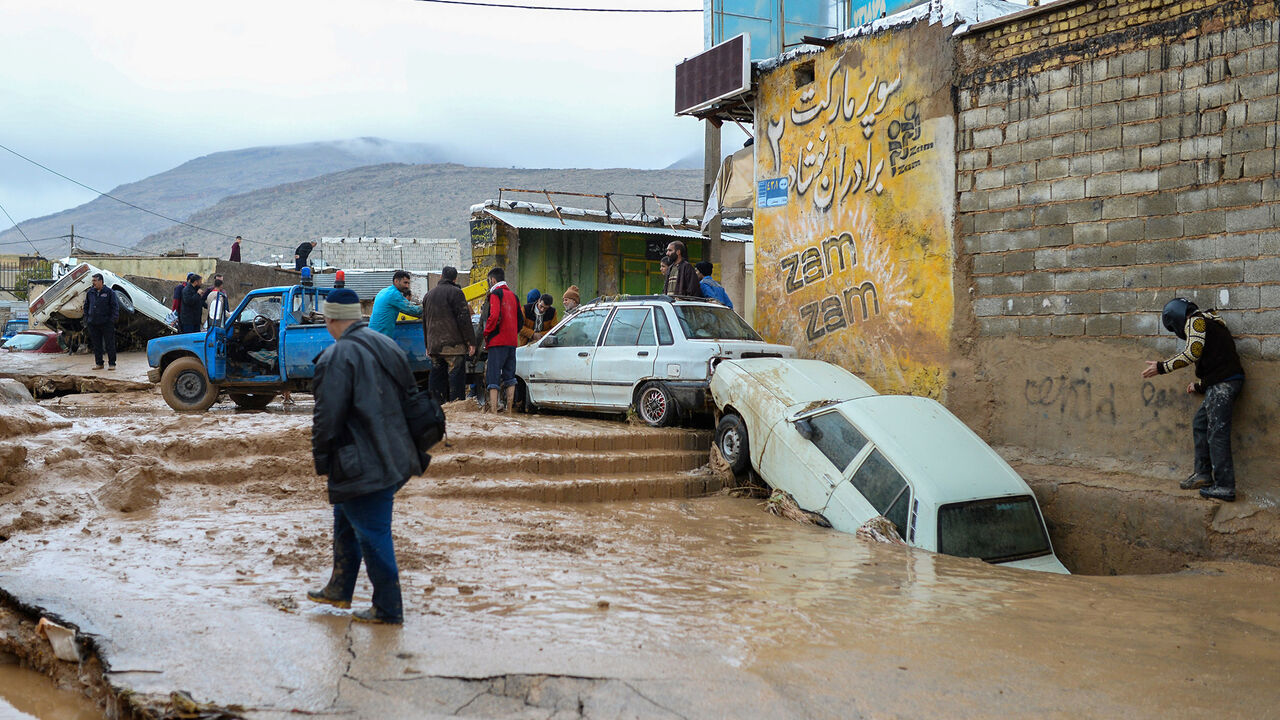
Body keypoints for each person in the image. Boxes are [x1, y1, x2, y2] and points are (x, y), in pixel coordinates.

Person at [308, 288, 423, 625]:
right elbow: (412, 398)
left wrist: (322, 461)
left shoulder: (336, 356)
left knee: (373, 533)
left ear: (331, 320)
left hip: (362, 461)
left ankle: (388, 609)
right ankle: (340, 588)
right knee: (346, 519)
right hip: (395, 453)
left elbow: (326, 419)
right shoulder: (387, 344)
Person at [1142, 298, 1245, 502]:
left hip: (1224, 384)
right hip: (1222, 382)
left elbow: (1192, 353)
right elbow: (1217, 361)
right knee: (1200, 424)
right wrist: (1198, 386)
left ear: (1177, 320)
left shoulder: (1196, 322)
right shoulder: (1208, 321)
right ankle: (1203, 474)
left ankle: (1224, 486)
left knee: (1217, 433)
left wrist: (1162, 367)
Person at [421, 266, 473, 403]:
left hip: (435, 346)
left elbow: (425, 322)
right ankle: (457, 411)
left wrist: (427, 345)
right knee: (456, 379)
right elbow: (464, 319)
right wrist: (471, 342)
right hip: (453, 346)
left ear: (441, 277)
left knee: (436, 378)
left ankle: (436, 408)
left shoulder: (428, 295)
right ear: (455, 279)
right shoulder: (456, 292)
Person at [474, 267, 522, 413]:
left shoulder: (495, 294)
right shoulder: (514, 296)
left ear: (492, 280)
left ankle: (494, 411)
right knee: (510, 376)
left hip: (497, 342)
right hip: (512, 342)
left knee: (493, 376)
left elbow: (493, 316)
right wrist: (513, 333)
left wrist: (487, 333)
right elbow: (521, 320)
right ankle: (509, 411)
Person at [82, 273, 119, 370]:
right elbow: (86, 306)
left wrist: (112, 320)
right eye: (92, 281)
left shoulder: (109, 292)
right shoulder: (90, 293)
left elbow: (114, 307)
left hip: (106, 323)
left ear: (101, 281)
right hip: (93, 323)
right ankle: (99, 363)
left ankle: (112, 364)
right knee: (96, 345)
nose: (93, 283)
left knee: (109, 344)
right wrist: (87, 318)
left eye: (95, 281)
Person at [371, 270, 422, 337]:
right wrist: (428, 306)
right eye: (405, 283)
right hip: (381, 336)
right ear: (396, 281)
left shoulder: (383, 291)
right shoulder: (394, 294)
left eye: (408, 283)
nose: (407, 286)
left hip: (372, 333)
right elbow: (413, 310)